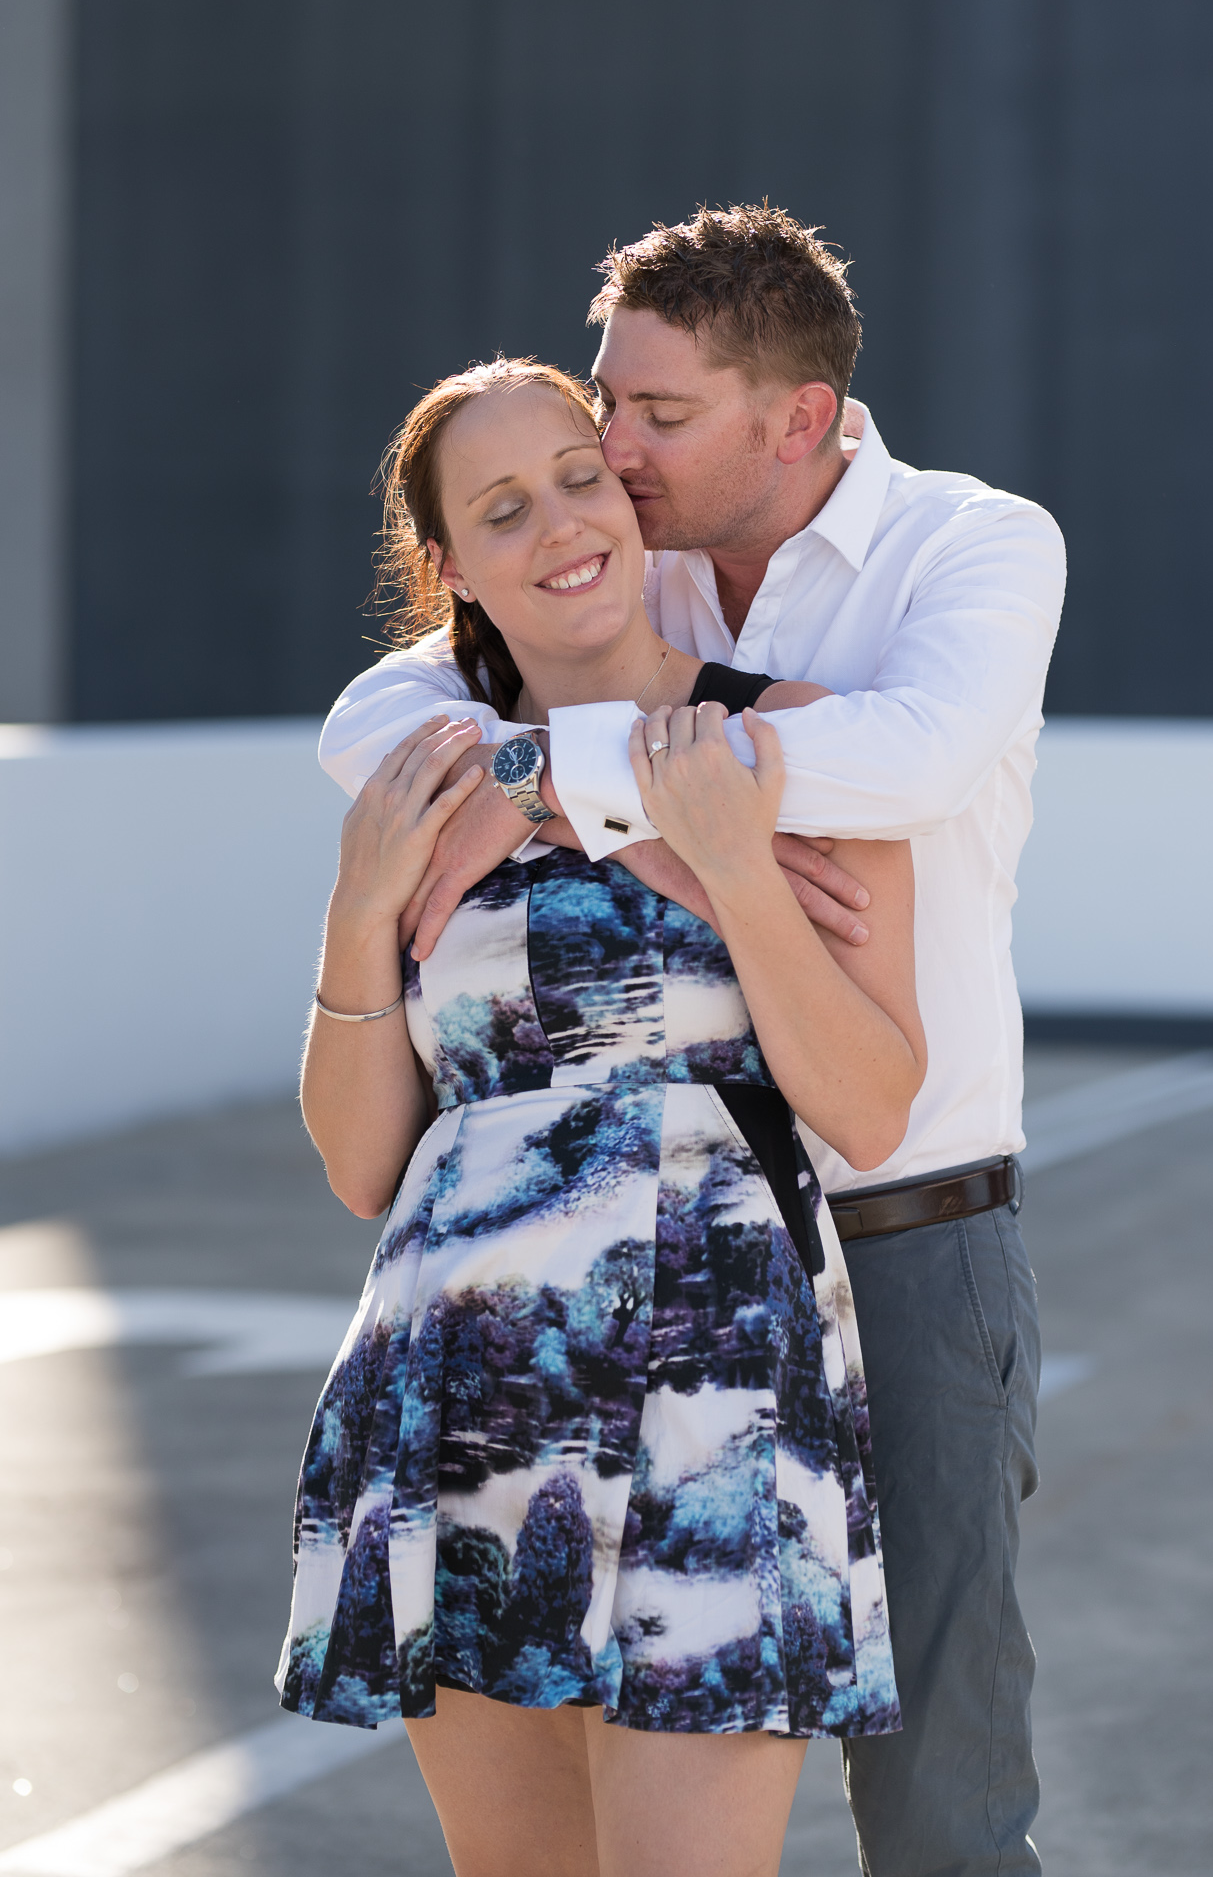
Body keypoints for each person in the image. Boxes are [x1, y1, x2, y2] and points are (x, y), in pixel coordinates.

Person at [319, 204, 1068, 1877]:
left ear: (793, 418)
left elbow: (921, 760)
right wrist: (547, 786)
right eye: (607, 410)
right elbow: (382, 709)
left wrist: (665, 816)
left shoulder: (968, 544)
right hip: (501, 1332)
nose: (612, 454)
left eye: (649, 420)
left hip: (898, 1221)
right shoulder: (624, 551)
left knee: (938, 1795)